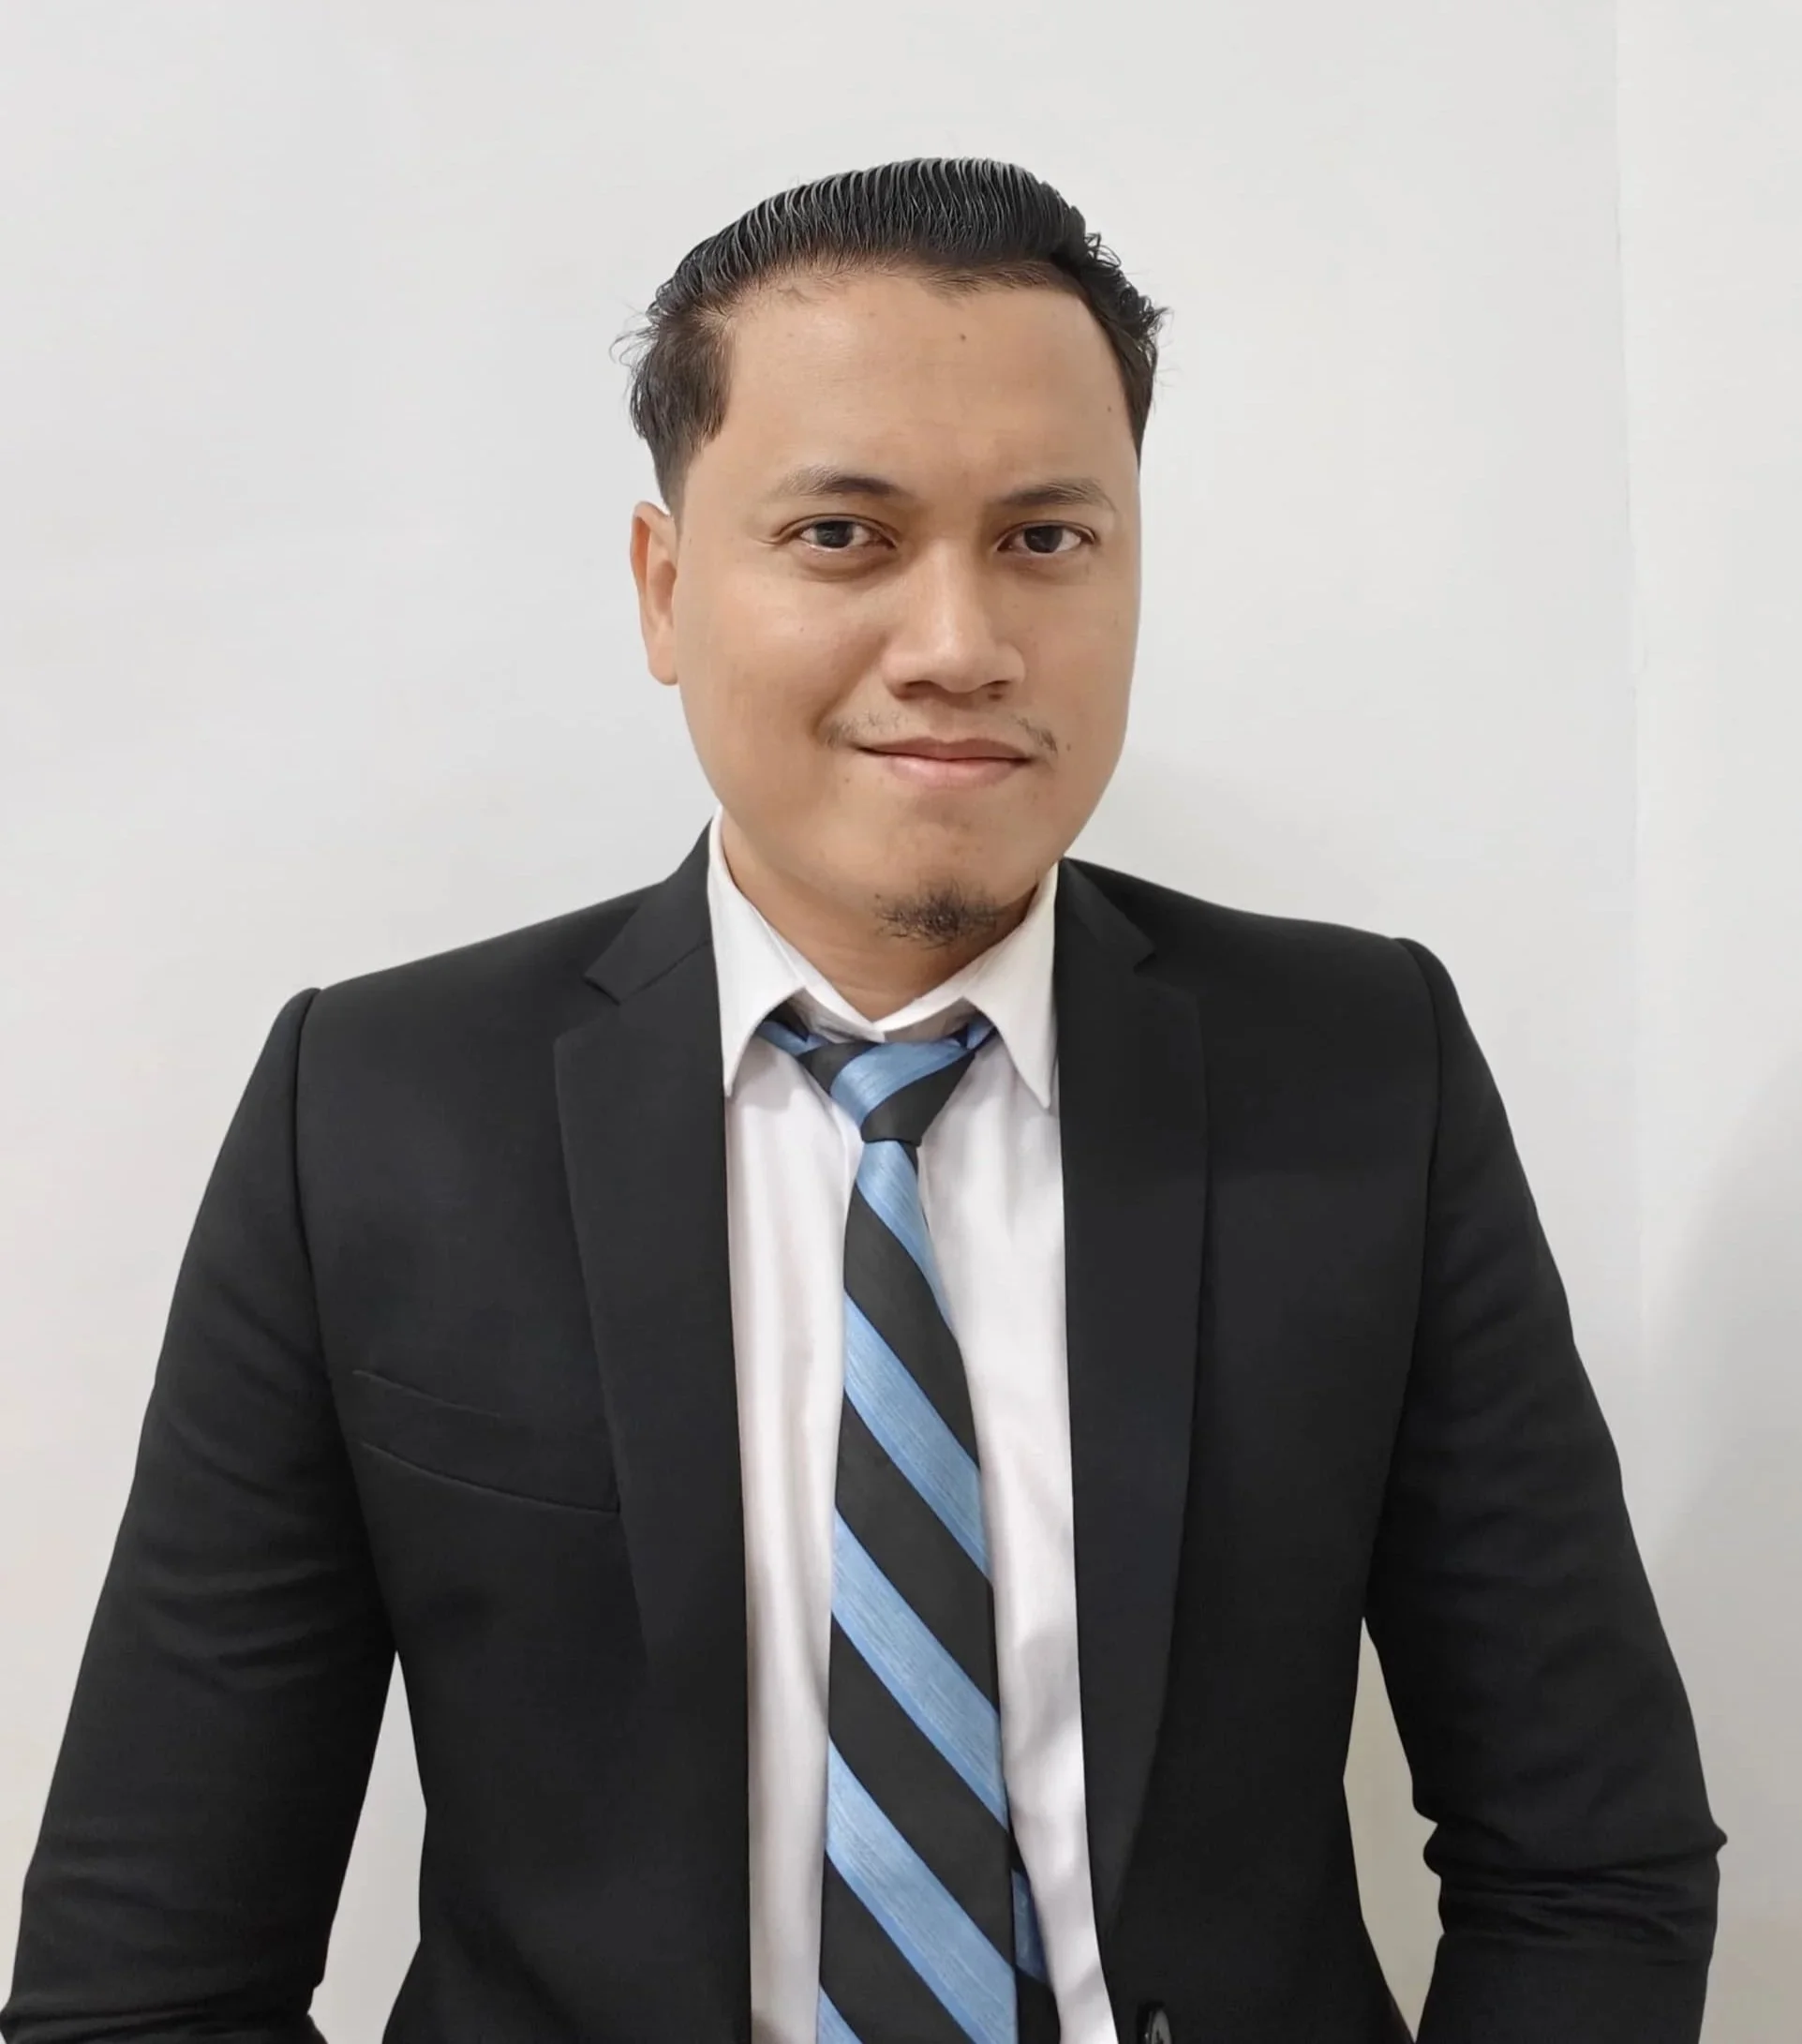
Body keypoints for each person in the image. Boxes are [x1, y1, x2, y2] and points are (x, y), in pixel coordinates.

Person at [3, 157, 1722, 2044]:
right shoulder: (381, 1115)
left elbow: (1586, 1853)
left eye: (1047, 540)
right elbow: (145, 1974)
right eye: (842, 535)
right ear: (667, 588)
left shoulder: (1359, 1071)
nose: (959, 640)